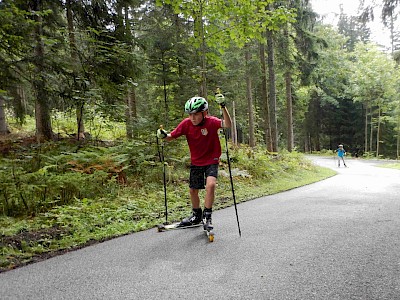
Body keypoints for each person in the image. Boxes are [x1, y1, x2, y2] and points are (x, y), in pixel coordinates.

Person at [156, 94, 232, 230]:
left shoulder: (212, 122)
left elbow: (227, 124)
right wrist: (163, 135)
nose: (192, 118)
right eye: (190, 114)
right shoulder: (186, 124)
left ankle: (207, 216)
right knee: (193, 190)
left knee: (211, 185)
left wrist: (223, 106)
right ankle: (196, 215)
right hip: (196, 161)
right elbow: (170, 137)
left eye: (196, 114)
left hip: (211, 160)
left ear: (205, 113)